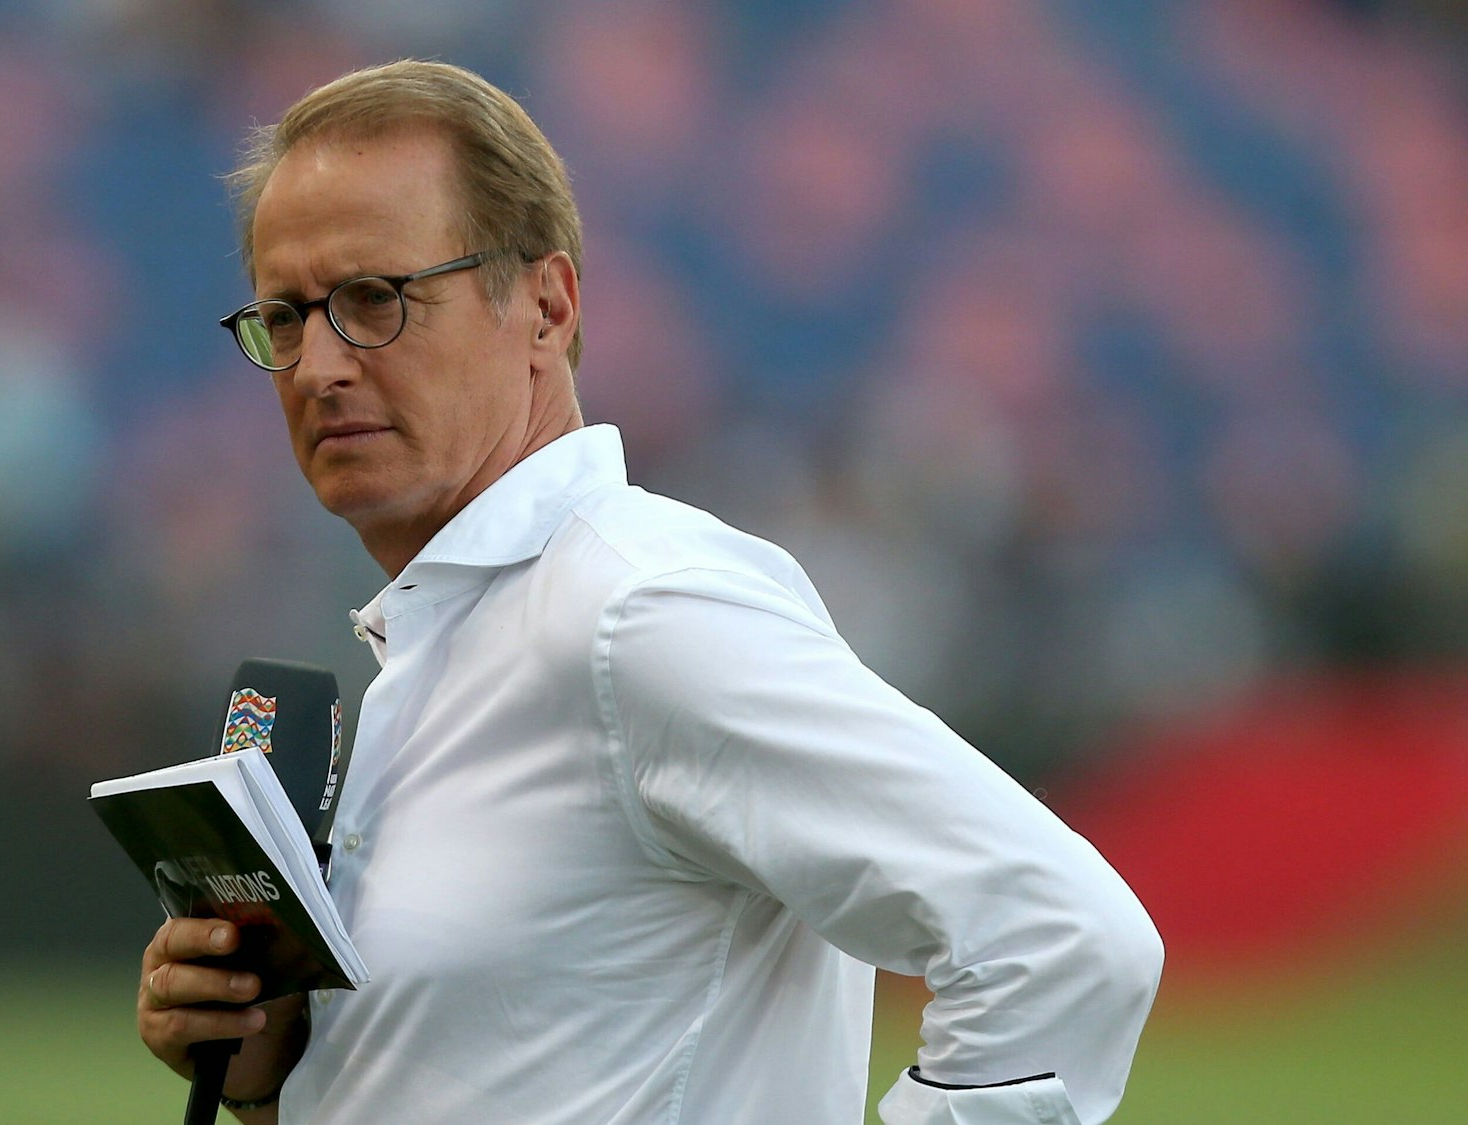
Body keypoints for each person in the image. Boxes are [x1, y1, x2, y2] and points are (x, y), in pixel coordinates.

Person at [137, 60, 1163, 1124]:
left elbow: (1064, 940)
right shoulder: (460, 638)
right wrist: (270, 1076)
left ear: (545, 304)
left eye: (371, 300)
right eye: (286, 318)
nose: (317, 366)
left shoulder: (638, 611)